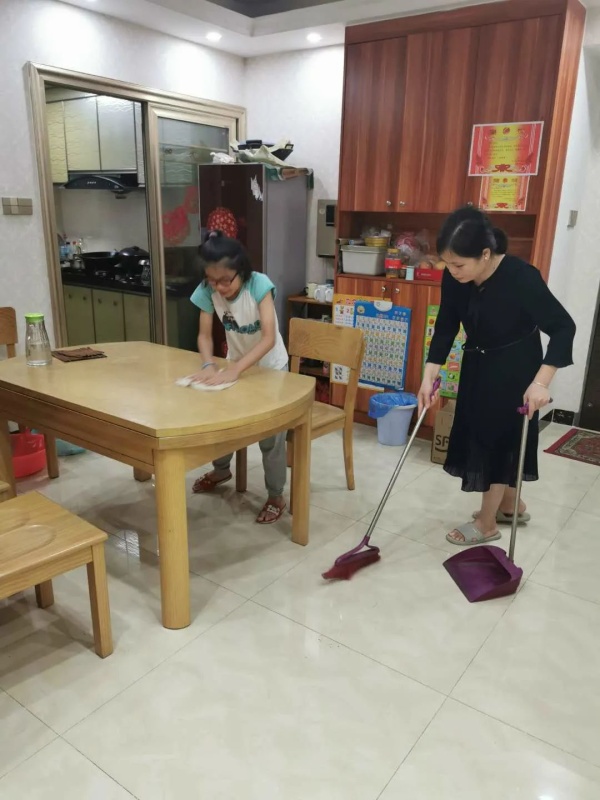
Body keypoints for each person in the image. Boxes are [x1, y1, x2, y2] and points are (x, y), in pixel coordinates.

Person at [418, 206, 576, 546]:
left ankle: (486, 524)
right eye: (447, 263)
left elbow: (564, 328)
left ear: (486, 254)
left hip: (516, 369)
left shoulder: (522, 277)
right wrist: (429, 374)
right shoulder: (456, 277)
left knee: (497, 440)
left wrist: (541, 382)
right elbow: (446, 326)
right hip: (478, 362)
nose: (452, 271)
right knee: (490, 434)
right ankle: (509, 505)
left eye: (459, 264)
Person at [188, 230, 289, 525]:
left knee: (271, 436)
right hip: (237, 365)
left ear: (241, 271)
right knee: (223, 422)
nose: (219, 287)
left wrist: (234, 369)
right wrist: (208, 364)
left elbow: (268, 338)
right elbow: (204, 335)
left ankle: (275, 495)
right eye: (212, 280)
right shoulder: (207, 290)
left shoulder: (259, 285)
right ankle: (221, 470)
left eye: (225, 281)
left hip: (271, 369)